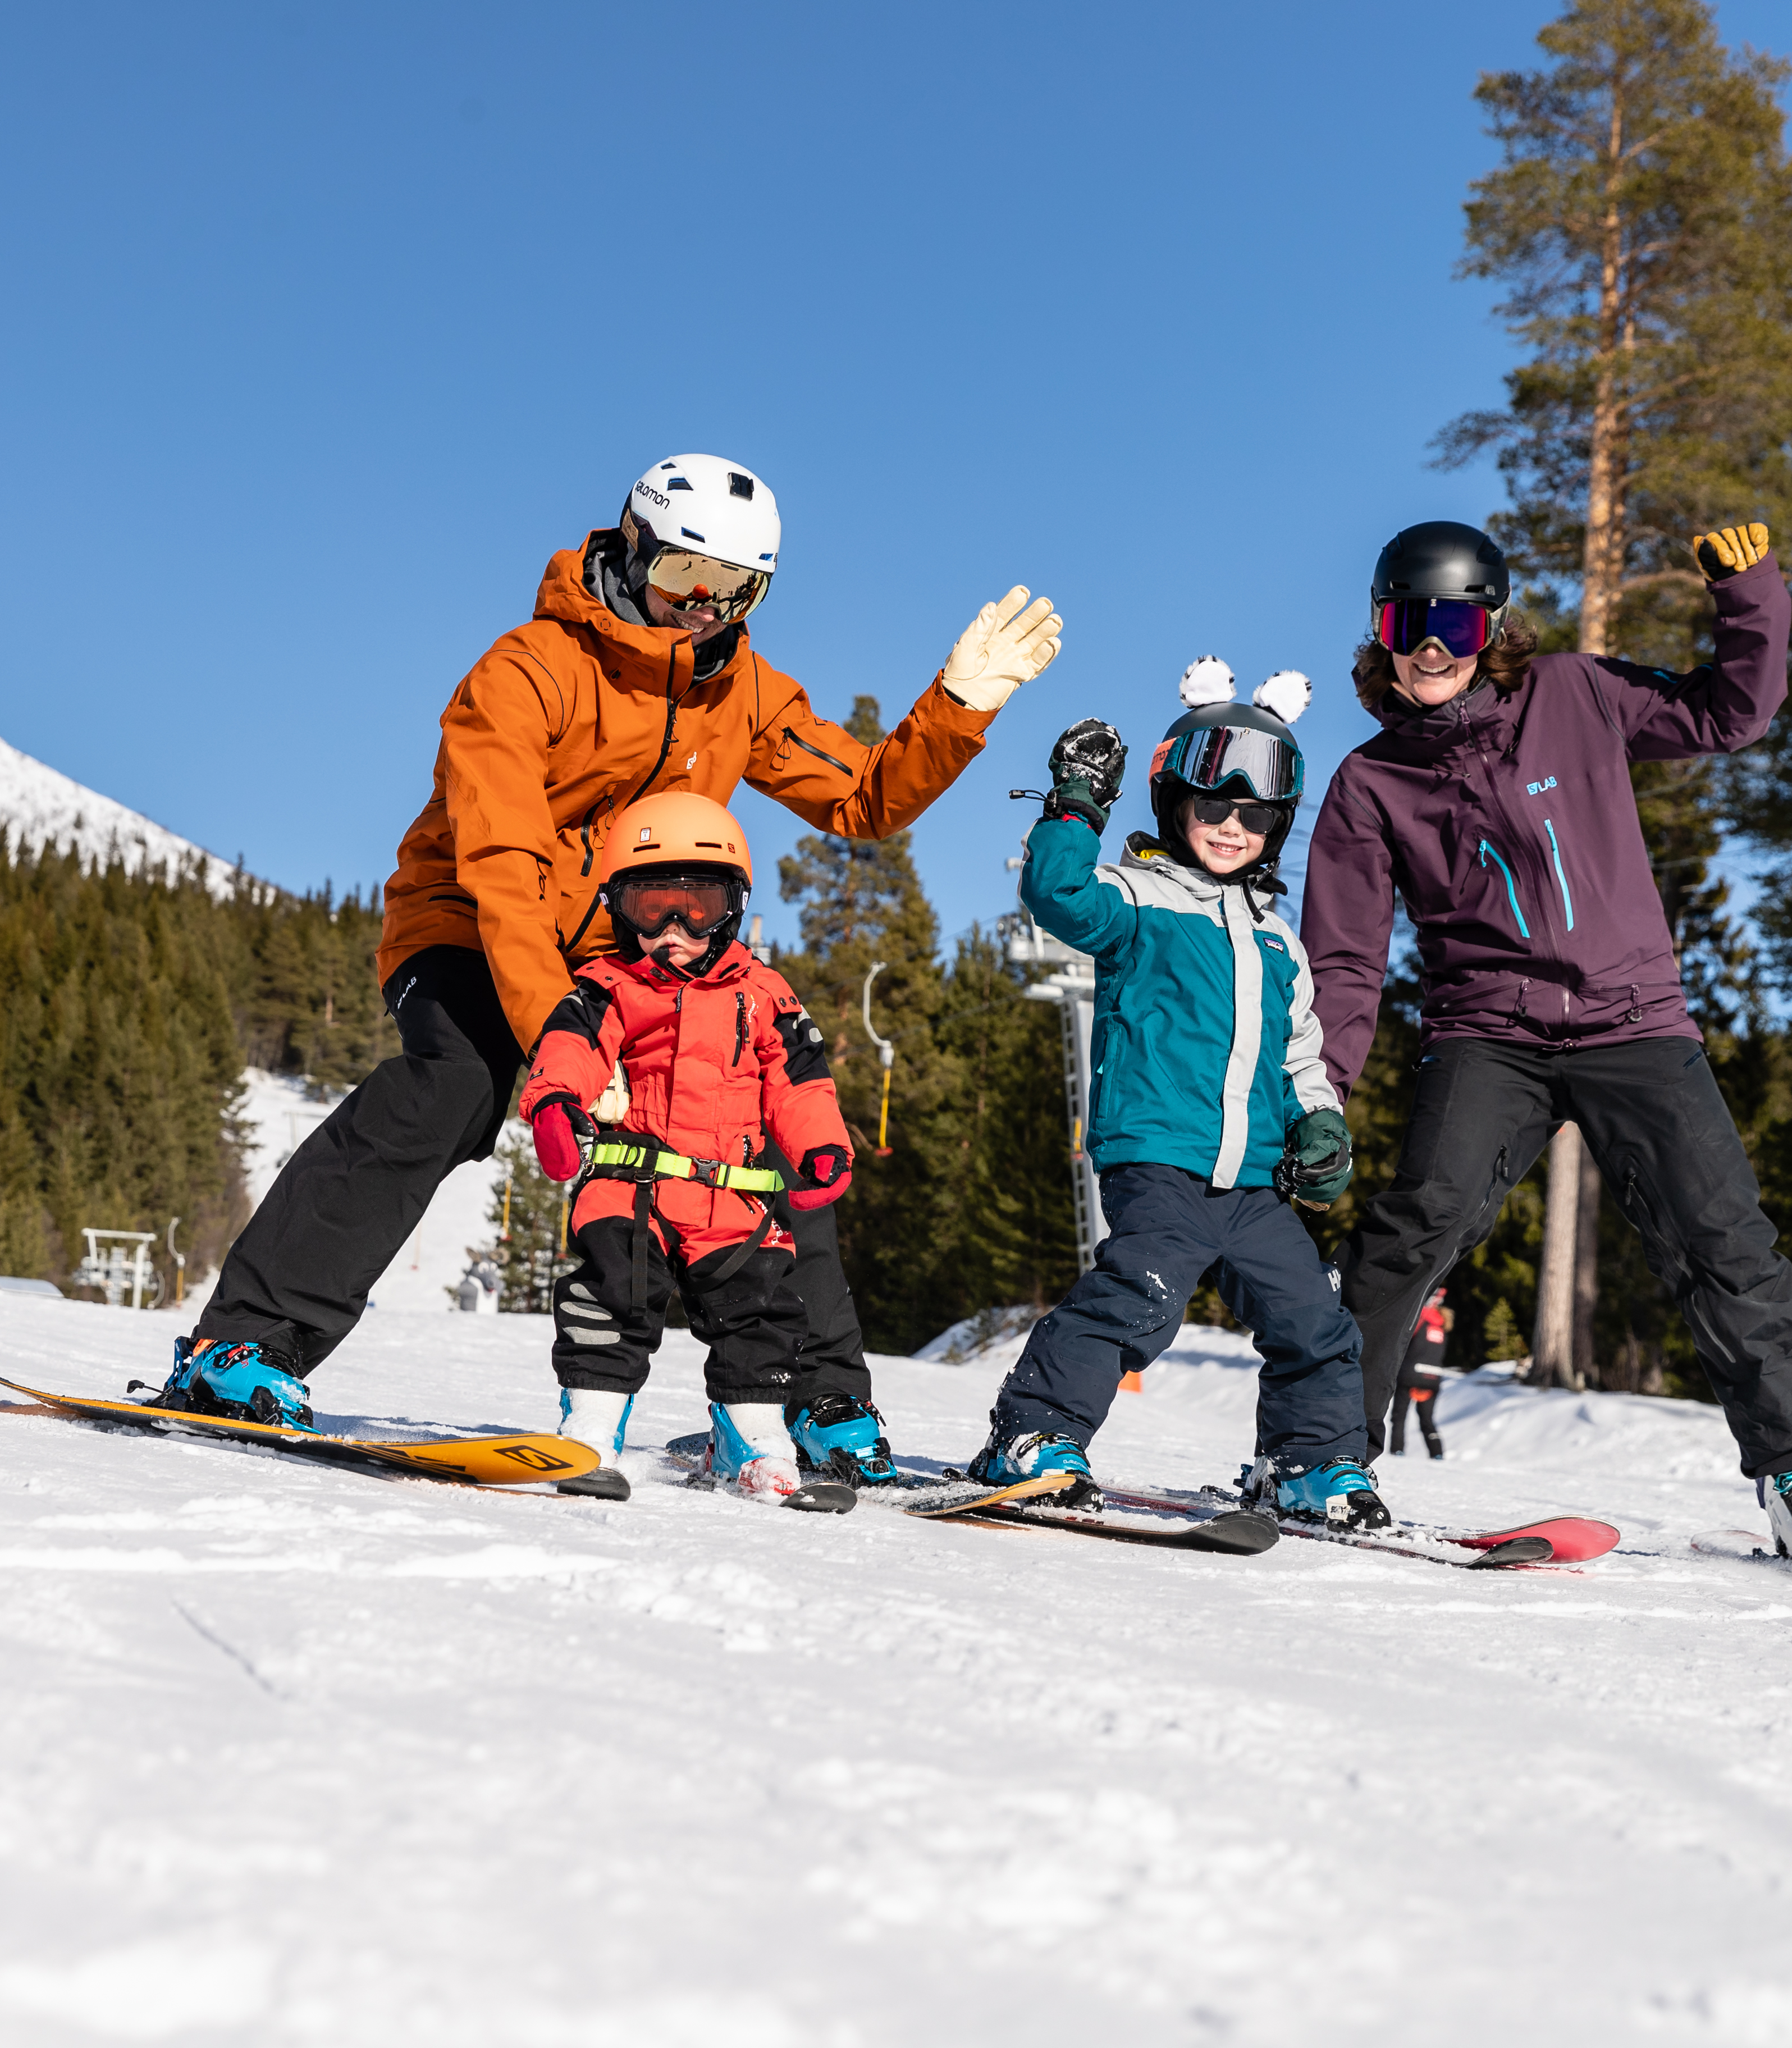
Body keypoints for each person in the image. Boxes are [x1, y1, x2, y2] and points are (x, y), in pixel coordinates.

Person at [159, 456, 1062, 1468]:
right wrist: (557, 1025)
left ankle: (814, 1399)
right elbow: (498, 862)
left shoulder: (744, 691)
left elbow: (863, 801)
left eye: (735, 593)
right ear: (630, 546)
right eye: (685, 578)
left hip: (631, 949)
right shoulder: (526, 672)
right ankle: (242, 1342)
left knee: (753, 1122)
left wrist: (957, 704)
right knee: (452, 1089)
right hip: (466, 924)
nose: (702, 612)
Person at [1301, 519, 1792, 1562]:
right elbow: (1344, 960)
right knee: (1409, 1230)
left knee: (1720, 1237)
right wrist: (1321, 1087)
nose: (1430, 648)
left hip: (1632, 1020)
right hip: (1488, 1033)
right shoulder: (1371, 784)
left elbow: (1729, 714)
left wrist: (1750, 597)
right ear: (1380, 634)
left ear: (1490, 626)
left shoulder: (1575, 693)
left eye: (1453, 622)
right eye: (1406, 623)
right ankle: (1317, 1452)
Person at [969, 661, 1382, 1529]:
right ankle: (1034, 1435)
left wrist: (1320, 1125)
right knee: (1141, 1294)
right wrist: (1075, 810)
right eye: (1213, 807)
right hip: (1158, 1156)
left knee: (1314, 1317)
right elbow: (1058, 895)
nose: (1233, 826)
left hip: (1254, 1182)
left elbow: (1302, 1054)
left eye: (1256, 815)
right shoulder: (1137, 900)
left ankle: (1310, 1464)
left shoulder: (1278, 943)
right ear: (1174, 805)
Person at [515, 794, 854, 1507]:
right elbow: (572, 1048)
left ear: (730, 907)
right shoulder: (609, 986)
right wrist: (553, 1102)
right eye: (651, 907)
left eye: (696, 907)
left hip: (732, 1197)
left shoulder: (764, 994)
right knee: (611, 1299)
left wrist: (821, 1146)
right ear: (619, 908)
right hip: (631, 1184)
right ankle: (591, 1429)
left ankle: (753, 1440)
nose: (673, 930)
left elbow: (799, 1081)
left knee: (761, 1313)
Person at [1392, 1287, 1451, 1459]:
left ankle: (1397, 1451)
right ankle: (1437, 1453)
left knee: (1399, 1416)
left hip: (1411, 1373)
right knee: (1427, 1420)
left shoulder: (1422, 1319)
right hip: (1433, 1377)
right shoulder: (1442, 1325)